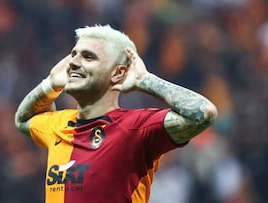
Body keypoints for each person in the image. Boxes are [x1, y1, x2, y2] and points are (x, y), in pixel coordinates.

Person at [14, 24, 217, 203]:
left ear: (118, 73)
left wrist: (146, 80)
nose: (74, 63)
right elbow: (22, 119)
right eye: (74, 55)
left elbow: (202, 113)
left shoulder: (136, 128)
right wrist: (50, 84)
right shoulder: (58, 125)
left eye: (88, 57)